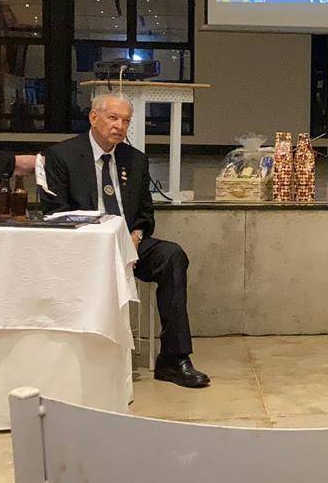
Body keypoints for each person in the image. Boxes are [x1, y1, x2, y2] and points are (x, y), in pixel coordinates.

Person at [40, 93, 210, 389]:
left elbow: (145, 214)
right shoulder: (61, 156)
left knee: (172, 255)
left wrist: (136, 235)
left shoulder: (135, 160)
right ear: (93, 117)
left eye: (126, 121)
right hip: (84, 249)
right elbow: (56, 214)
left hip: (128, 246)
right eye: (113, 118)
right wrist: (98, 238)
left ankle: (174, 358)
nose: (120, 126)